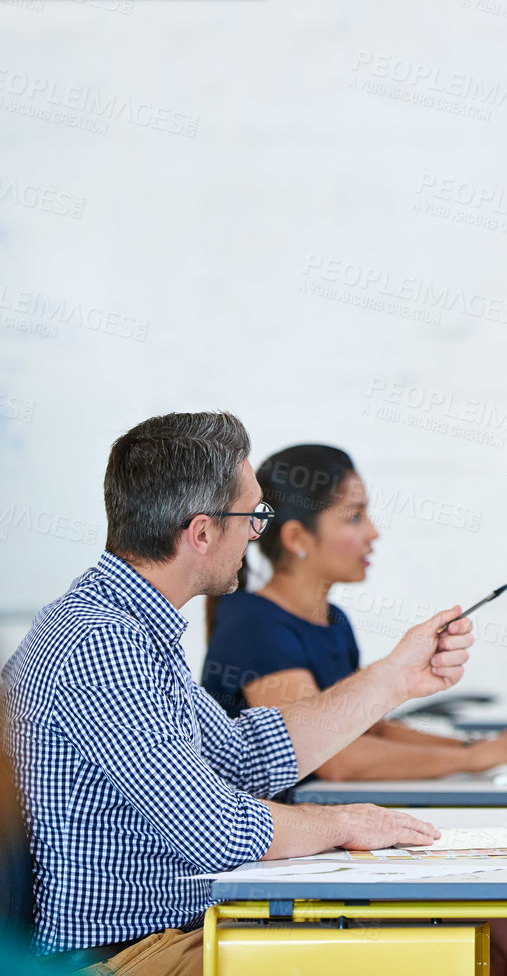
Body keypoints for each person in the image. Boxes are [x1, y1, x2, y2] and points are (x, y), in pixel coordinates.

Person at [3, 412, 475, 973]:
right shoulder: (104, 643)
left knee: (445, 933)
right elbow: (217, 831)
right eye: (252, 516)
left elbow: (245, 755)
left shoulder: (128, 626)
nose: (258, 533)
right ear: (201, 533)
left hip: (171, 930)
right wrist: (345, 822)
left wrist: (396, 676)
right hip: (124, 953)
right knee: (436, 954)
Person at [202, 444, 507, 779]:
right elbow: (332, 758)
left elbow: (369, 729)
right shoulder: (256, 626)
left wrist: (487, 748)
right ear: (297, 538)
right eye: (355, 517)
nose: (373, 533)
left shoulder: (334, 622)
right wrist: (473, 758)